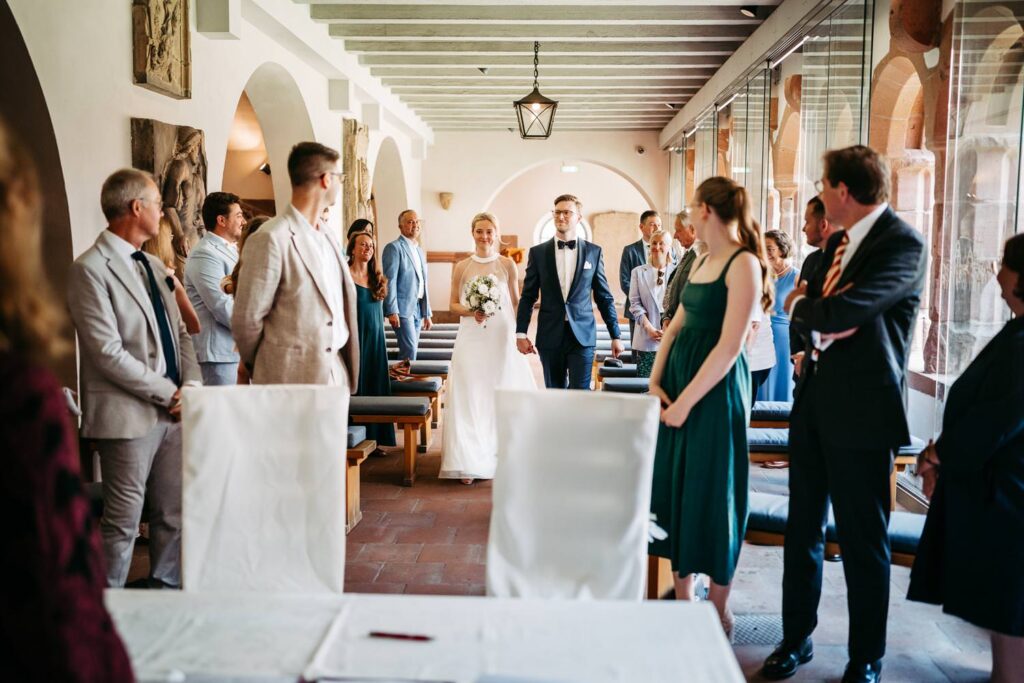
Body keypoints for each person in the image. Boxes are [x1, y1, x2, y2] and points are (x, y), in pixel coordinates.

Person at [762, 146, 926, 683]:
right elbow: (821, 324)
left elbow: (840, 311)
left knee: (862, 540)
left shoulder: (901, 244)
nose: (820, 190)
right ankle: (795, 639)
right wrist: (814, 314)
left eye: (824, 183)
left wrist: (802, 306)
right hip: (813, 403)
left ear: (843, 192)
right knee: (801, 530)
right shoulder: (833, 244)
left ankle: (866, 657)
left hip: (864, 412)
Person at [0, 120, 134, 681]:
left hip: (162, 404)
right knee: (121, 525)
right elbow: (58, 592)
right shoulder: (19, 396)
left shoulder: (151, 266)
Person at [648, 176, 770, 640]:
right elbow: (675, 326)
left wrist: (684, 404)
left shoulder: (743, 264)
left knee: (715, 490)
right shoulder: (701, 259)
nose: (687, 217)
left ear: (706, 211)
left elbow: (730, 347)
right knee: (677, 486)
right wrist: (657, 382)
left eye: (691, 208)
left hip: (714, 394)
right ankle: (684, 601)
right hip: (677, 386)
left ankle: (719, 608)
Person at [67, 167, 202, 589]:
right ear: (136, 206)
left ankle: (164, 594)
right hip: (128, 415)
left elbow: (182, 333)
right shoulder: (90, 268)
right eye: (157, 204)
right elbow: (106, 352)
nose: (164, 211)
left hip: (177, 412)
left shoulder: (153, 266)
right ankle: (107, 617)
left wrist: (192, 389)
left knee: (173, 515)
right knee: (123, 522)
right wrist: (168, 392)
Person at [908, 234, 1024, 683]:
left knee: (1009, 596)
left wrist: (939, 454)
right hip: (996, 481)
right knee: (1000, 595)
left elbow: (997, 418)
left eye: (1005, 267)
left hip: (1009, 487)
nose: (997, 276)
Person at [232, 142, 359, 387]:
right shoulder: (271, 238)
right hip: (288, 376)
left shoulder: (329, 236)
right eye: (339, 177)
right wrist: (265, 367)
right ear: (325, 179)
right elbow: (246, 319)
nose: (340, 184)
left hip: (334, 372)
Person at [441, 212, 536, 483]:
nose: (484, 236)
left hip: (500, 336)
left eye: (489, 231)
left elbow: (517, 302)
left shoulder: (507, 265)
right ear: (472, 233)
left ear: (496, 233)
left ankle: (502, 453)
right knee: (472, 394)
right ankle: (469, 460)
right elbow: (452, 305)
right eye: (479, 231)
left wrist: (522, 333)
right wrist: (473, 310)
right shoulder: (462, 266)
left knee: (501, 391)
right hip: (472, 338)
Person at [515, 194, 623, 389]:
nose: (561, 217)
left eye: (567, 212)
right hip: (550, 334)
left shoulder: (593, 252)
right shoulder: (538, 253)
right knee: (554, 393)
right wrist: (521, 334)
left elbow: (604, 297)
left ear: (578, 218)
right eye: (557, 212)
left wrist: (615, 335)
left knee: (580, 394)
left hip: (582, 335)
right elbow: (528, 296)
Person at [184, 192, 245, 385]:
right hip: (219, 355)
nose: (243, 221)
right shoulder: (205, 253)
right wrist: (258, 329)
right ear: (221, 220)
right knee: (222, 414)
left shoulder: (233, 249)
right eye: (238, 215)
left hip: (234, 351)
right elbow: (221, 305)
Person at [346, 231, 396, 452]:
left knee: (375, 386)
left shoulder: (377, 278)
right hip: (354, 339)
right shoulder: (344, 276)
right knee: (356, 386)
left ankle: (375, 440)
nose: (367, 249)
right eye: (363, 245)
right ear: (353, 249)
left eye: (371, 246)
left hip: (375, 340)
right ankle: (354, 437)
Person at [791, 197, 838, 375]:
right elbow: (796, 317)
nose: (803, 228)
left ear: (823, 225)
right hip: (802, 360)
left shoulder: (845, 262)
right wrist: (796, 352)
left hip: (827, 366)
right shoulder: (811, 260)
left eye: (807, 222)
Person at [381, 210, 432, 360]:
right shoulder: (394, 248)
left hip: (417, 307)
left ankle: (403, 381)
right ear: (400, 226)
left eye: (417, 222)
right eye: (410, 222)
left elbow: (423, 283)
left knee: (412, 350)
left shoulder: (419, 250)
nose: (415, 225)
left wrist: (426, 313)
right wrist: (392, 310)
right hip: (402, 309)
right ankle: (399, 382)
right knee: (409, 350)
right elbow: (390, 281)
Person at [142, 214, 201, 335]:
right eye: (170, 236)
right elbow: (193, 325)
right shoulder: (169, 279)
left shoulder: (134, 270)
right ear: (163, 241)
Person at [758, 229, 796, 402]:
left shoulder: (796, 276)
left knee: (781, 383)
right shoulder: (762, 276)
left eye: (770, 249)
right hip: (762, 337)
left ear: (782, 249)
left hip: (784, 340)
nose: (765, 253)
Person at [628, 229, 673, 377]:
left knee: (669, 384)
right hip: (646, 334)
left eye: (662, 243)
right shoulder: (638, 272)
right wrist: (649, 328)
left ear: (669, 247)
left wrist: (669, 328)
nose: (657, 246)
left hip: (672, 336)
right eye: (654, 243)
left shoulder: (677, 271)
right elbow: (634, 304)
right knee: (645, 383)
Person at [620, 210, 669, 338]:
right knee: (639, 354)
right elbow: (625, 281)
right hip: (638, 311)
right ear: (641, 227)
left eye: (659, 224)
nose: (657, 228)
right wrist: (644, 303)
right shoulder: (630, 250)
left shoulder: (670, 250)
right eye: (653, 224)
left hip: (665, 313)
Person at [662, 209, 701, 327]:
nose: (675, 236)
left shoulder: (700, 255)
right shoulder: (689, 254)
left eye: (678, 230)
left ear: (692, 229)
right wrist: (667, 316)